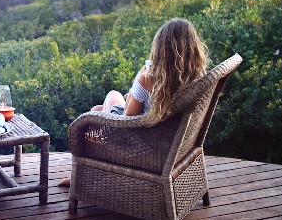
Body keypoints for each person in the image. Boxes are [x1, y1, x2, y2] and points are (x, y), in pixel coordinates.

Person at [58, 18, 209, 187]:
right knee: (97, 109)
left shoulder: (150, 79)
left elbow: (127, 120)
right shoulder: (199, 79)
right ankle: (83, 175)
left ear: (160, 49)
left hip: (139, 143)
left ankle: (80, 177)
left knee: (111, 97)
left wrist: (139, 80)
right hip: (171, 144)